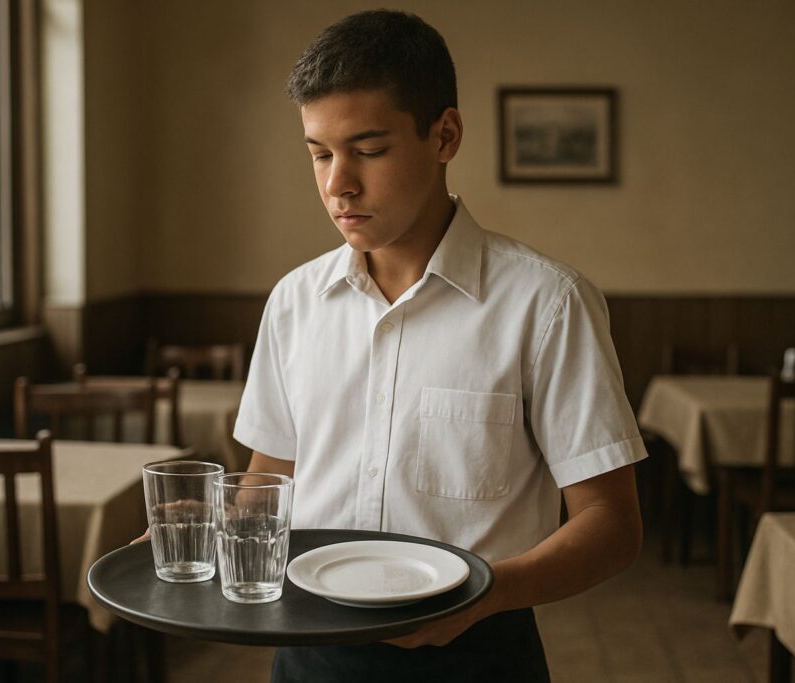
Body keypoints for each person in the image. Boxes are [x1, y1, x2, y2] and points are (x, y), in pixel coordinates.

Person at [231, 10, 646, 682]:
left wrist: (490, 593)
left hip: (479, 654)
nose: (339, 182)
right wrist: (183, 542)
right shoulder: (294, 302)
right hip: (308, 652)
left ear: (444, 135)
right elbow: (267, 478)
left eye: (368, 150)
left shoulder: (546, 302)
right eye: (319, 153)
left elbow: (612, 524)